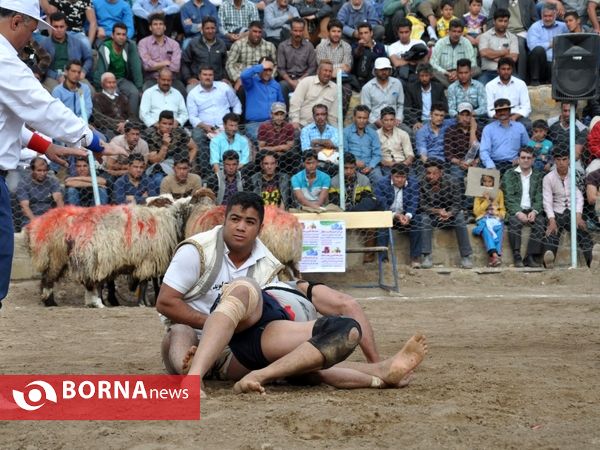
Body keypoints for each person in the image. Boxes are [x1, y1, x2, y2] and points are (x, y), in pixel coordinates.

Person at [157, 192, 396, 395]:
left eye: (249, 222)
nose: (241, 227)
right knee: (180, 331)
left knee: (294, 361)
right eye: (235, 219)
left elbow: (266, 319)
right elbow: (166, 303)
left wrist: (231, 329)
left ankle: (378, 371)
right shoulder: (197, 250)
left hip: (235, 349)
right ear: (225, 220)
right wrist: (216, 324)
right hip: (191, 337)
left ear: (260, 229)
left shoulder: (268, 266)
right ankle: (191, 376)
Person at [0, 0, 125, 306]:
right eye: (31, 30)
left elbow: (7, 118)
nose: (32, 40)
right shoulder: (4, 59)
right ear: (16, 22)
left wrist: (44, 145)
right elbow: (42, 106)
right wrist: (93, 139)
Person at [542, 146, 595, 268]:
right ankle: (548, 262)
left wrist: (578, 215)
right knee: (552, 233)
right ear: (554, 160)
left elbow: (579, 197)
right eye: (558, 160)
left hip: (573, 211)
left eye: (564, 159)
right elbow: (547, 201)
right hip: (557, 211)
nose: (561, 163)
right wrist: (552, 219)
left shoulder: (575, 175)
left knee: (582, 231)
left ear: (569, 160)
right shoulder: (548, 178)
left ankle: (592, 262)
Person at [187, 65, 242, 177]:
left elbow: (236, 103)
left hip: (227, 125)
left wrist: (234, 120)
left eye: (210, 75)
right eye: (205, 75)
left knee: (240, 137)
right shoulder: (193, 94)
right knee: (197, 136)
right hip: (204, 127)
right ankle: (208, 175)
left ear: (214, 76)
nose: (208, 77)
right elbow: (192, 117)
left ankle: (238, 172)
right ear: (199, 76)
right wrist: (205, 126)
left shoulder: (224, 87)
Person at [420, 160, 473, 269]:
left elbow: (457, 203)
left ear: (441, 172)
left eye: (434, 173)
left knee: (460, 218)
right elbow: (422, 205)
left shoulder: (452, 181)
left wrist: (449, 213)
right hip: (433, 216)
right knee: (424, 219)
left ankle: (466, 256)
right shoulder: (421, 183)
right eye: (428, 173)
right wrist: (437, 211)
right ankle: (426, 255)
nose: (431, 176)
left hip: (450, 216)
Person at [501, 146, 545, 267]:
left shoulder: (538, 175)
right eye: (523, 157)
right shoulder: (509, 174)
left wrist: (535, 211)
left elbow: (540, 195)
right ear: (518, 159)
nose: (526, 160)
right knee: (514, 222)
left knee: (541, 222)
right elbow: (508, 197)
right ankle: (517, 256)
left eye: (528, 158)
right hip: (516, 210)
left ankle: (530, 256)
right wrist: (518, 212)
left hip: (532, 209)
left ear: (533, 160)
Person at [375, 162, 422, 267]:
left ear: (407, 176)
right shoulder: (381, 183)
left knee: (417, 220)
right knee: (382, 223)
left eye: (403, 177)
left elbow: (414, 202)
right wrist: (396, 215)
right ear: (391, 175)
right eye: (397, 177)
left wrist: (408, 216)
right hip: (388, 215)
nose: (400, 180)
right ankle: (383, 260)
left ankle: (415, 258)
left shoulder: (413, 183)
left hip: (405, 217)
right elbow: (382, 204)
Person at [94, 22, 143, 118]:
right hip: (109, 80)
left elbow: (136, 67)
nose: (121, 37)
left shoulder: (130, 46)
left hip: (122, 79)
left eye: (124, 34)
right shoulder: (105, 47)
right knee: (114, 95)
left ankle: (131, 122)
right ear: (112, 35)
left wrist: (139, 87)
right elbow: (100, 70)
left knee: (134, 93)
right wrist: (98, 88)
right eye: (118, 34)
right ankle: (115, 122)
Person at [143, 110, 198, 194]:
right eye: (164, 123)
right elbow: (155, 160)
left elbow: (194, 148)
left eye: (170, 124)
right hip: (159, 169)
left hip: (178, 166)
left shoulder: (179, 132)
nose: (167, 127)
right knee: (158, 179)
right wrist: (165, 145)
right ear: (158, 124)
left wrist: (188, 163)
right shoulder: (151, 136)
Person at [39, 11, 93, 93]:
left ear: (66, 27)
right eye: (55, 27)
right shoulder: (44, 44)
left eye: (61, 27)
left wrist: (83, 71)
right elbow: (42, 66)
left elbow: (89, 58)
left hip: (75, 74)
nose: (59, 30)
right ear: (50, 27)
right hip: (54, 77)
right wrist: (57, 76)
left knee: (90, 91)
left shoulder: (77, 42)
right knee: (56, 93)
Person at [487, 0, 536, 82]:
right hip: (503, 31)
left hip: (522, 32)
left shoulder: (528, 1)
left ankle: (520, 79)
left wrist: (531, 33)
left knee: (519, 45)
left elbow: (534, 20)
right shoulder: (498, 2)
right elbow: (490, 20)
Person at [137, 13, 184, 94]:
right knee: (146, 92)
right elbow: (146, 66)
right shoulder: (143, 43)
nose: (158, 26)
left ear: (165, 27)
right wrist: (166, 63)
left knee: (182, 91)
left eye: (160, 24)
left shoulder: (174, 44)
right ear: (150, 28)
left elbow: (176, 67)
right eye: (155, 24)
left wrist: (155, 65)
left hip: (171, 79)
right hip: (152, 79)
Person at [240, 56, 285, 141]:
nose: (268, 73)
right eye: (265, 69)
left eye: (270, 70)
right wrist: (260, 66)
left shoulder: (276, 85)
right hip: (255, 124)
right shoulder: (251, 82)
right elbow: (243, 76)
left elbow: (281, 104)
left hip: (274, 124)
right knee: (266, 141)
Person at [480, 98, 529, 174]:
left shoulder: (519, 127)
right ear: (496, 112)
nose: (502, 112)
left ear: (509, 111)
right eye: (499, 110)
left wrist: (520, 159)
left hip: (514, 164)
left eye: (505, 110)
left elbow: (527, 147)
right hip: (494, 163)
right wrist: (490, 165)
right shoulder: (488, 129)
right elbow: (484, 150)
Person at [225, 21, 277, 92]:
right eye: (254, 31)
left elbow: (275, 65)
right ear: (249, 31)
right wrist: (238, 78)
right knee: (241, 89)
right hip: (244, 79)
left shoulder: (270, 46)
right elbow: (229, 64)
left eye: (259, 32)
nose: (257, 35)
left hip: (264, 79)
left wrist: (268, 77)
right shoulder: (238, 45)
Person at [276, 17, 317, 103]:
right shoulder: (282, 46)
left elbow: (312, 67)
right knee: (282, 85)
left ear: (303, 31)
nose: (298, 34)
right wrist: (291, 82)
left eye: (300, 31)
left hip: (305, 79)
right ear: (291, 31)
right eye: (295, 30)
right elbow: (281, 69)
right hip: (288, 80)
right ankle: (285, 114)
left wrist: (300, 81)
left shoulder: (309, 46)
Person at [181, 16, 228, 90]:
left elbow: (225, 64)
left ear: (216, 29)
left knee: (231, 92)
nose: (210, 31)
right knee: (190, 91)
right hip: (197, 81)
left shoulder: (221, 44)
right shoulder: (193, 43)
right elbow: (185, 62)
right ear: (202, 29)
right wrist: (188, 78)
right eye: (207, 28)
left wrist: (225, 78)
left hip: (218, 81)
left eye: (212, 28)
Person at [430, 19, 479, 88]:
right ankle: (453, 87)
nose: (456, 34)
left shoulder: (466, 43)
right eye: (454, 31)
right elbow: (433, 63)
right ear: (449, 31)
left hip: (462, 73)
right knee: (432, 71)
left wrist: (457, 73)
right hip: (444, 74)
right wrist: (447, 73)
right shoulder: (440, 43)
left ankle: (452, 86)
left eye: (459, 32)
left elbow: (472, 63)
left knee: (477, 69)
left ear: (462, 33)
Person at [289, 60, 339, 128]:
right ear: (318, 71)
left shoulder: (335, 88)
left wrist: (336, 132)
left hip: (321, 128)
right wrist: (295, 121)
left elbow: (333, 115)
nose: (327, 73)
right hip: (302, 124)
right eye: (325, 70)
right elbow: (295, 103)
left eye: (330, 71)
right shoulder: (306, 82)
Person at [526, 4, 567, 86]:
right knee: (538, 50)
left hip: (557, 62)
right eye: (545, 16)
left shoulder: (563, 27)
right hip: (542, 64)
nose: (547, 19)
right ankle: (535, 80)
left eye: (550, 16)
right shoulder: (535, 27)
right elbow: (532, 46)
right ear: (541, 15)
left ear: (555, 15)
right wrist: (550, 44)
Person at [484, 57, 531, 128]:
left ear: (512, 70)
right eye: (503, 69)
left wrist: (515, 117)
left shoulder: (521, 84)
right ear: (498, 70)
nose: (506, 72)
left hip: (516, 116)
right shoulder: (490, 85)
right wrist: (500, 117)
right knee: (490, 125)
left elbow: (526, 107)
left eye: (508, 69)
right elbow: (489, 108)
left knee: (528, 124)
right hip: (498, 116)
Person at [17, 157, 64, 225]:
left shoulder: (52, 181)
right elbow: (25, 207)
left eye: (44, 171)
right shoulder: (24, 183)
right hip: (31, 218)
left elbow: (59, 201)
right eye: (39, 170)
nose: (42, 173)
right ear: (32, 170)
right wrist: (36, 222)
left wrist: (60, 219)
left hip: (49, 216)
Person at [343, 104, 383, 185]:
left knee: (379, 178)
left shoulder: (373, 133)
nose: (362, 120)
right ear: (354, 118)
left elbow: (377, 154)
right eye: (359, 117)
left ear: (368, 119)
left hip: (370, 167)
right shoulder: (346, 132)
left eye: (364, 118)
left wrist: (370, 167)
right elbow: (344, 151)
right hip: (352, 166)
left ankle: (374, 198)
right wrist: (354, 162)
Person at [360, 57, 405, 128]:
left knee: (409, 132)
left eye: (386, 69)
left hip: (394, 121)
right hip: (375, 123)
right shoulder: (367, 87)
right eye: (381, 70)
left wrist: (398, 118)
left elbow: (400, 104)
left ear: (390, 70)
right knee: (368, 132)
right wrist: (376, 121)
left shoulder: (397, 83)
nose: (384, 72)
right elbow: (366, 110)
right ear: (375, 71)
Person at [477, 8, 518, 85]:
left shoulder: (513, 37)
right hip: (488, 73)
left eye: (505, 21)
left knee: (520, 83)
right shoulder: (485, 36)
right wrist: (504, 52)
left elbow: (513, 58)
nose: (503, 24)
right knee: (480, 85)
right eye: (500, 21)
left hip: (507, 73)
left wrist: (492, 55)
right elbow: (484, 53)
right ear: (494, 21)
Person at [472, 174, 506, 266]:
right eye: (485, 181)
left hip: (495, 218)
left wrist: (501, 215)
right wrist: (486, 201)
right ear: (482, 182)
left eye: (490, 181)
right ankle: (495, 255)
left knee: (499, 229)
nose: (487, 184)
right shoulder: (478, 193)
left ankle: (494, 256)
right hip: (483, 218)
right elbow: (476, 212)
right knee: (486, 229)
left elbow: (502, 208)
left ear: (494, 183)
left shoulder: (499, 192)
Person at [403, 63, 447, 129]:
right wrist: (415, 122)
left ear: (431, 76)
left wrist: (438, 120)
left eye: (426, 76)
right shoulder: (411, 88)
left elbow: (444, 106)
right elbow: (407, 109)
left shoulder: (438, 88)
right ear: (418, 76)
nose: (424, 78)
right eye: (422, 76)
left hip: (436, 120)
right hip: (419, 122)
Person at [257, 102, 297, 175]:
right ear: (271, 114)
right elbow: (261, 148)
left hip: (284, 157)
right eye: (276, 114)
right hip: (268, 156)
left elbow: (289, 147)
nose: (279, 117)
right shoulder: (264, 126)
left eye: (281, 114)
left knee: (292, 155)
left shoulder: (289, 127)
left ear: (285, 115)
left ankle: (288, 179)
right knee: (260, 155)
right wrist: (280, 148)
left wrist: (270, 148)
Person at [387, 18, 429, 84]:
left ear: (411, 31)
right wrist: (412, 61)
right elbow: (396, 63)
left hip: (420, 74)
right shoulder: (392, 46)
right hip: (402, 76)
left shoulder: (420, 42)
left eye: (406, 32)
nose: (404, 35)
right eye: (401, 32)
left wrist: (403, 60)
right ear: (397, 32)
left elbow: (425, 61)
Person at [92, 72, 131, 138]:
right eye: (109, 83)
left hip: (126, 128)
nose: (112, 85)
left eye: (114, 82)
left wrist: (125, 124)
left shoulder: (123, 97)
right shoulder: (97, 98)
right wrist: (118, 125)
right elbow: (98, 119)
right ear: (102, 84)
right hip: (108, 130)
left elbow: (131, 115)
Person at [377, 107, 414, 173]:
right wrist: (389, 164)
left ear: (395, 120)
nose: (389, 123)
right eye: (386, 120)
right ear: (381, 120)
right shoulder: (376, 135)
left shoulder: (403, 134)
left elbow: (410, 155)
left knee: (413, 181)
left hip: (403, 165)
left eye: (391, 120)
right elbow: (376, 157)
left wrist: (403, 165)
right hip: (386, 167)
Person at [351, 23, 386, 88]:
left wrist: (371, 48)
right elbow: (356, 55)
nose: (363, 36)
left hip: (377, 75)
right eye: (361, 33)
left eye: (366, 33)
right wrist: (360, 47)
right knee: (366, 53)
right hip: (360, 77)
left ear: (371, 33)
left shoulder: (380, 46)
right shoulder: (355, 45)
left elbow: (384, 61)